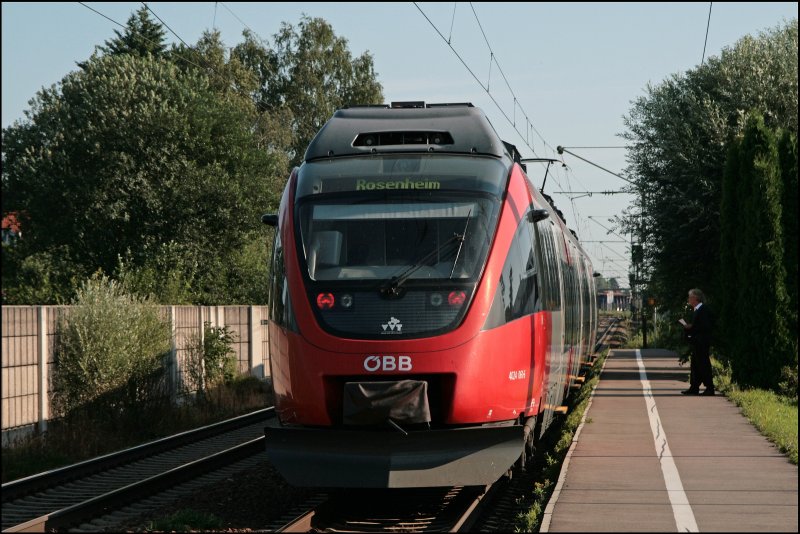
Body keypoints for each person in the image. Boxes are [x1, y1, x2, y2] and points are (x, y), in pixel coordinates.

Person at [680, 288, 715, 396]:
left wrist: (691, 327)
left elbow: (705, 326)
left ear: (695, 298)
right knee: (695, 365)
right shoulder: (697, 310)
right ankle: (694, 387)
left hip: (702, 342)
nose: (689, 299)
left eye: (690, 297)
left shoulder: (703, 310)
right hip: (697, 342)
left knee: (703, 364)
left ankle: (709, 387)